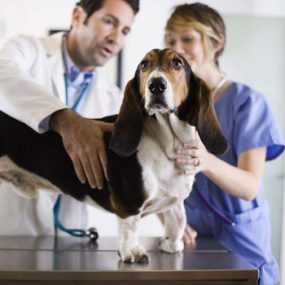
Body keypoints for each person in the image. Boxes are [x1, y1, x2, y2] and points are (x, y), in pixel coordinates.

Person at [164, 3, 284, 285]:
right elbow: (163, 175)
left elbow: (249, 186)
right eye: (170, 40)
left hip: (241, 244)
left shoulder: (247, 103)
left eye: (187, 39)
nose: (176, 48)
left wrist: (205, 160)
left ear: (216, 43)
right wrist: (169, 220)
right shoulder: (171, 106)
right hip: (192, 244)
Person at [0, 0, 139, 236]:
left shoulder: (114, 98)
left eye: (125, 31)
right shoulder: (28, 50)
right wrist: (66, 121)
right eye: (109, 22)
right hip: (12, 231)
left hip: (74, 237)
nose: (116, 38)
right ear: (77, 16)